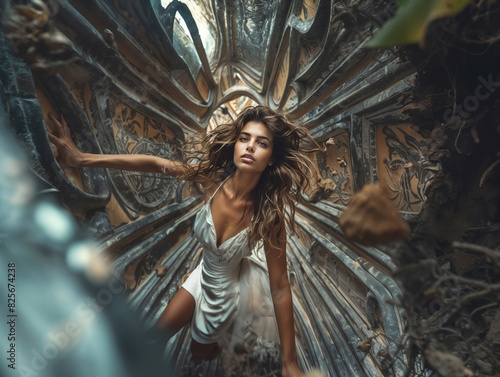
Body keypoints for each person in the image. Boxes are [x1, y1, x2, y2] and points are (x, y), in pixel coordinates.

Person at [47, 106, 325, 377]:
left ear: (272, 159)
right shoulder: (212, 180)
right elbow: (156, 164)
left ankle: (224, 334)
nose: (250, 147)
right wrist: (81, 158)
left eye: (261, 143)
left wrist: (289, 363)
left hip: (226, 296)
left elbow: (279, 287)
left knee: (200, 352)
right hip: (201, 276)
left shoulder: (269, 216)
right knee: (153, 338)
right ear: (236, 144)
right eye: (244, 138)